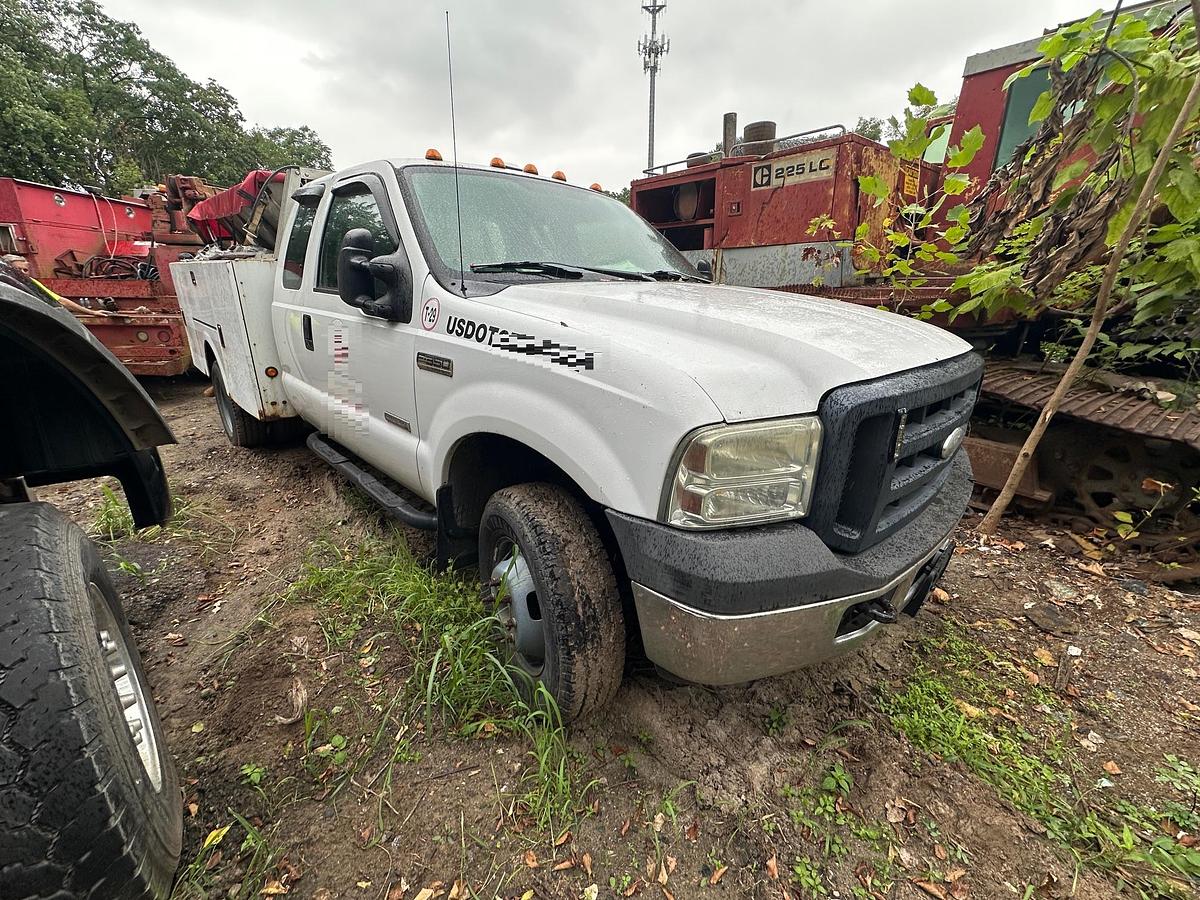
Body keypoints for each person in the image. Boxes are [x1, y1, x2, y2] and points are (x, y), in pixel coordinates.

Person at [1, 253, 116, 317]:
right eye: (18, 269)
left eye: (25, 270)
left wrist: (92, 312)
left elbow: (61, 301)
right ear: (7, 268)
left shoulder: (30, 283)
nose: (22, 273)